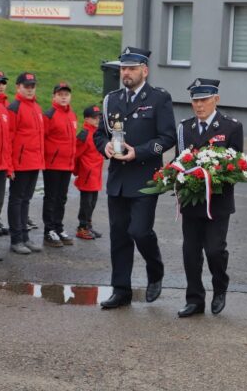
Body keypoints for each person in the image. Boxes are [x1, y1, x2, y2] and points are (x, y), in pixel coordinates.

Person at [94, 46, 176, 309]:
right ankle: (121, 290)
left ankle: (155, 269)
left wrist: (137, 152)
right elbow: (100, 134)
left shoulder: (159, 98)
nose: (126, 73)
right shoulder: (112, 99)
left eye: (131, 68)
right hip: (117, 179)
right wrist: (104, 147)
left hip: (145, 179)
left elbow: (167, 138)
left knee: (139, 231)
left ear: (144, 70)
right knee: (119, 236)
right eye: (123, 69)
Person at [176, 78, 244, 318]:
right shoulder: (185, 127)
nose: (199, 105)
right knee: (190, 252)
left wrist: (213, 176)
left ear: (216, 99)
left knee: (215, 250)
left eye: (204, 100)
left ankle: (220, 287)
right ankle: (194, 299)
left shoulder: (231, 127)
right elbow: (180, 161)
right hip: (191, 201)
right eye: (195, 100)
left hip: (218, 202)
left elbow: (237, 166)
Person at [7, 72, 45, 254]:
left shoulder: (36, 107)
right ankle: (16, 240)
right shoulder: (14, 107)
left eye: (32, 86)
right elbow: (9, 138)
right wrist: (10, 165)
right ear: (18, 87)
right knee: (17, 200)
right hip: (20, 163)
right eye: (26, 86)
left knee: (26, 200)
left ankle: (25, 237)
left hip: (33, 162)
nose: (30, 90)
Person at [42, 82, 77, 247]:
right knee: (51, 198)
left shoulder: (72, 115)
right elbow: (42, 139)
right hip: (52, 164)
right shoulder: (49, 115)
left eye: (66, 94)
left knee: (61, 198)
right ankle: (49, 230)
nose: (64, 97)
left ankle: (58, 227)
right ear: (54, 96)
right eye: (60, 94)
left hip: (67, 164)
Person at [74, 105, 104, 240]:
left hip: (95, 174)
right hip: (87, 174)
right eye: (94, 118)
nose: (97, 120)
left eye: (98, 117)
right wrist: (77, 171)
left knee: (93, 201)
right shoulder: (84, 134)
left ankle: (88, 225)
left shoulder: (97, 133)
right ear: (86, 119)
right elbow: (76, 154)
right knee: (86, 203)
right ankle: (82, 228)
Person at [0, 71, 13, 260]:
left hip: (0, 167)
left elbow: (7, 141)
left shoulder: (2, 108)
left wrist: (9, 166)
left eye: (1, 83)